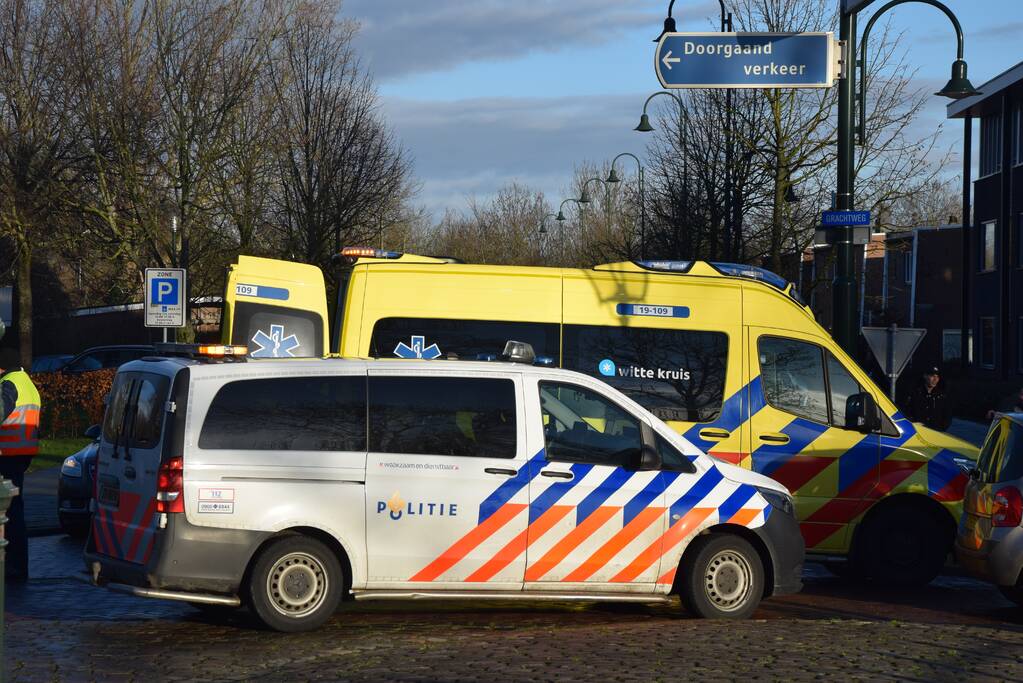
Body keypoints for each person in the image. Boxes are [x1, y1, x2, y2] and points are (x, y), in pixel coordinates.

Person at [0, 323, 42, 583]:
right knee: (15, 513)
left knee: (10, 514)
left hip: (6, 456)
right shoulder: (27, 383)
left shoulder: (9, 385)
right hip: (20, 456)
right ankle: (17, 568)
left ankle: (13, 568)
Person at [905, 365, 952, 432]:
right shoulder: (915, 394)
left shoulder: (942, 396)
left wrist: (940, 430)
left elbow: (947, 417)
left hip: (936, 434)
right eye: (932, 376)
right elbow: (908, 412)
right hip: (918, 433)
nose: (935, 379)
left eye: (937, 377)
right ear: (925, 376)